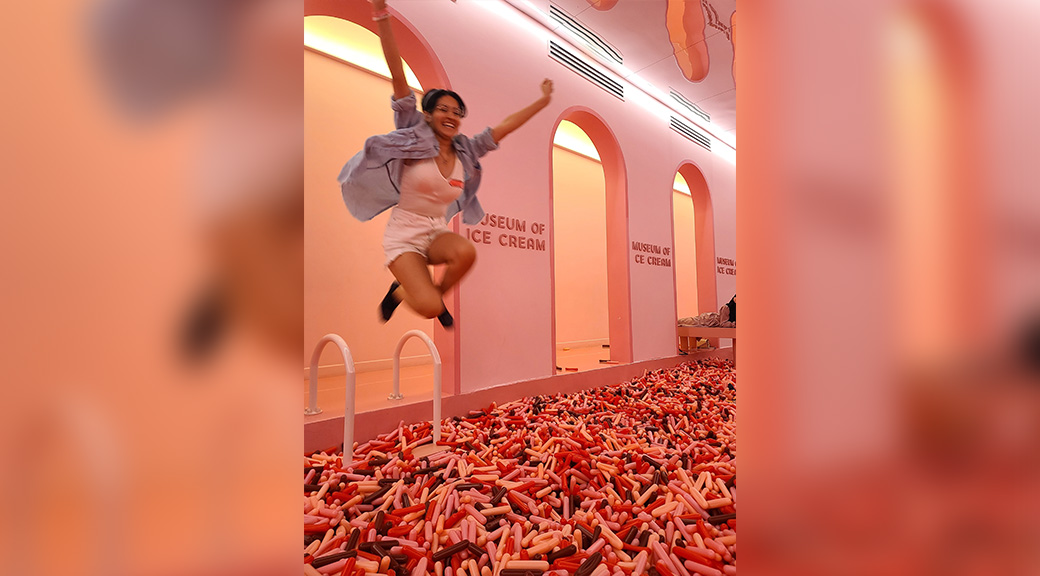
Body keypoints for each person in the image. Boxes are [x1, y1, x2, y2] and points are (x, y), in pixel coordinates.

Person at [338, 0, 553, 328]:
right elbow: (398, 74)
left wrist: (542, 101)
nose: (451, 116)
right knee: (427, 307)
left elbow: (504, 127)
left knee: (466, 253)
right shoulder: (412, 133)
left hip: (435, 231)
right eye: (443, 109)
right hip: (404, 234)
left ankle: (430, 293)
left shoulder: (466, 150)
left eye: (456, 112)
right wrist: (381, 15)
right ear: (428, 113)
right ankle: (405, 292)